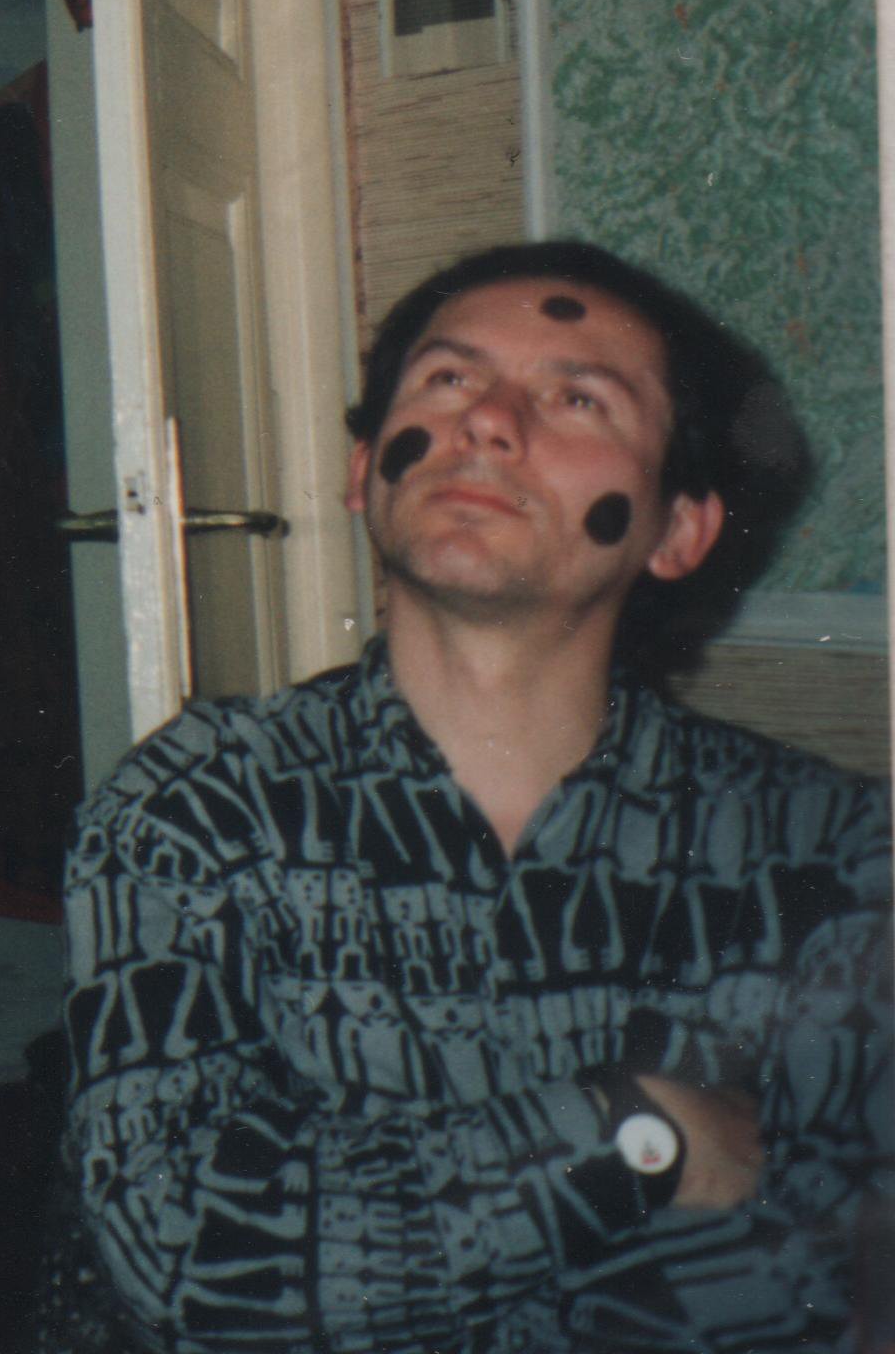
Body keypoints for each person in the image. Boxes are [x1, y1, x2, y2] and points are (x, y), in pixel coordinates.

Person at [63, 239, 889, 1352]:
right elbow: (190, 1255)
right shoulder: (196, 809)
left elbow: (842, 1279)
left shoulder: (827, 848)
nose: (488, 421)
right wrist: (642, 1138)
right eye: (448, 378)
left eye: (577, 397)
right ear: (365, 469)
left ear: (677, 530)